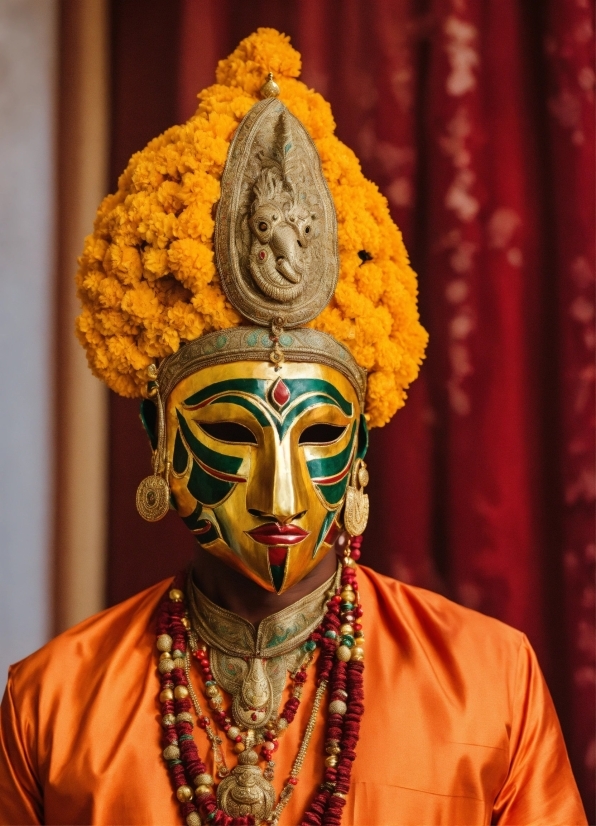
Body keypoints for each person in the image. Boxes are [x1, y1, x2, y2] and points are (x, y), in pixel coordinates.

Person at [0, 29, 586, 826]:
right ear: (159, 436)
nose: (282, 493)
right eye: (235, 435)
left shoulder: (489, 684)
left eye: (315, 437)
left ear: (361, 448)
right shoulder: (55, 703)